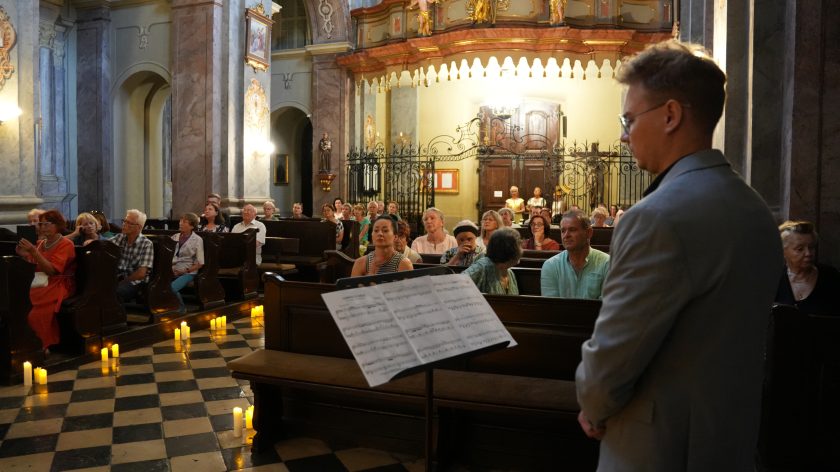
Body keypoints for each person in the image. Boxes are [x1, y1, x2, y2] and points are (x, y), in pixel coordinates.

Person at [575, 41, 782, 470]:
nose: (622, 133)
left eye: (629, 118)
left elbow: (614, 356)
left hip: (659, 446)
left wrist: (593, 406)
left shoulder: (657, 217)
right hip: (729, 436)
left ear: (671, 115)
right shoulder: (755, 208)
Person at [16, 210, 76, 351]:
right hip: (40, 282)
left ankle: (42, 345)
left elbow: (52, 270)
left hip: (58, 283)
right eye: (40, 224)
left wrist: (34, 252)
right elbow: (33, 265)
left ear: (57, 225)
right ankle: (23, 343)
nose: (41, 227)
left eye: (46, 224)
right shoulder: (41, 243)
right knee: (20, 304)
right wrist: (24, 255)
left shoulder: (66, 244)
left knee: (35, 312)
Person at [775, 220, 840, 315]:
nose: (808, 253)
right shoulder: (775, 280)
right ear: (783, 251)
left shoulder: (830, 276)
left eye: (811, 247)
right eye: (800, 249)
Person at [541, 210, 610, 299]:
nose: (566, 235)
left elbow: (609, 307)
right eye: (563, 231)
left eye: (572, 230)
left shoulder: (607, 263)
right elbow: (551, 308)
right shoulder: (551, 266)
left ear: (589, 233)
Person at [111, 209, 154, 304]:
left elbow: (141, 273)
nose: (124, 224)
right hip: (119, 277)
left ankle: (119, 317)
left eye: (129, 222)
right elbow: (103, 245)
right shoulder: (120, 238)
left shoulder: (146, 244)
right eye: (124, 221)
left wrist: (122, 282)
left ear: (138, 227)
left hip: (137, 282)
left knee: (115, 292)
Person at [464, 228, 521, 295]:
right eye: (519, 245)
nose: (521, 250)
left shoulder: (510, 273)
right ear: (508, 249)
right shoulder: (483, 266)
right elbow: (458, 284)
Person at [170, 213, 204, 313]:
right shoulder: (174, 237)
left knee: (171, 288)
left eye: (184, 222)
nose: (180, 223)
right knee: (158, 286)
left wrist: (183, 271)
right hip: (173, 269)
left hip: (188, 271)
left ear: (192, 226)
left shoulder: (197, 240)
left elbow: (200, 263)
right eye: (180, 221)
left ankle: (181, 308)